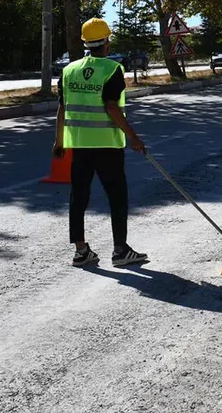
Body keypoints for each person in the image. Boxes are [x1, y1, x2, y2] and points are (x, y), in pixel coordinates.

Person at [53, 18, 149, 268]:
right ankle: (120, 251)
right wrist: (134, 138)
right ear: (106, 42)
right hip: (107, 146)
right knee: (117, 196)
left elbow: (62, 108)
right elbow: (111, 107)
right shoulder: (112, 69)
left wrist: (59, 141)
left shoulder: (69, 70)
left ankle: (81, 251)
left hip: (80, 145)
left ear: (85, 43)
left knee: (79, 196)